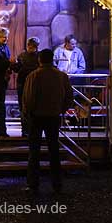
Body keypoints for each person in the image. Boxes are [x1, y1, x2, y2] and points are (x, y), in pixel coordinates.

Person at [22, 49, 74, 194]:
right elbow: (69, 97)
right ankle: (57, 183)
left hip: (37, 117)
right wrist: (61, 109)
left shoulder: (33, 76)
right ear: (52, 59)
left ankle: (33, 183)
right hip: (53, 116)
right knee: (54, 150)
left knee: (34, 151)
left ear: (40, 59)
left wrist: (27, 114)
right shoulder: (61, 76)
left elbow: (28, 98)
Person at [14, 37, 41, 137]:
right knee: (23, 108)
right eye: (29, 45)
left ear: (36, 47)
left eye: (32, 46)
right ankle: (25, 130)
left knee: (33, 108)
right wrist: (13, 65)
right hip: (23, 84)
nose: (30, 47)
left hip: (34, 85)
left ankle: (32, 130)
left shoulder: (39, 56)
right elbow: (17, 69)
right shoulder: (22, 56)